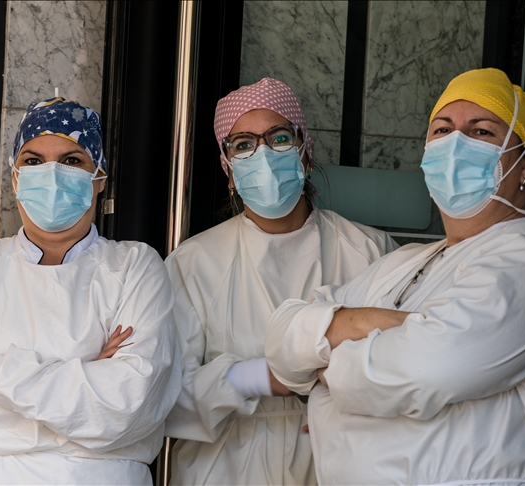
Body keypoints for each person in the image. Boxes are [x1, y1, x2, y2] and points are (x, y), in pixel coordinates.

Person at [266, 68, 525, 484]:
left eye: (482, 132)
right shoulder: (405, 261)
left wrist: (326, 367)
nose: (456, 144)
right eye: (443, 130)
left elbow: (428, 367)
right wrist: (368, 322)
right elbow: (281, 337)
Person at [0, 97, 181, 485]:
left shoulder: (135, 267)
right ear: (15, 178)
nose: (51, 174)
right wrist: (83, 411)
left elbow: (129, 408)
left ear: (99, 178)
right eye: (33, 161)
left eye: (71, 160)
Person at [163, 78, 398, 485]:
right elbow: (163, 398)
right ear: (229, 170)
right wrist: (263, 379)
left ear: (305, 152)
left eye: (280, 138)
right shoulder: (193, 263)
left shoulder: (369, 251)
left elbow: (405, 365)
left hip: (339, 461)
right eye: (243, 145)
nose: (264, 155)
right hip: (226, 470)